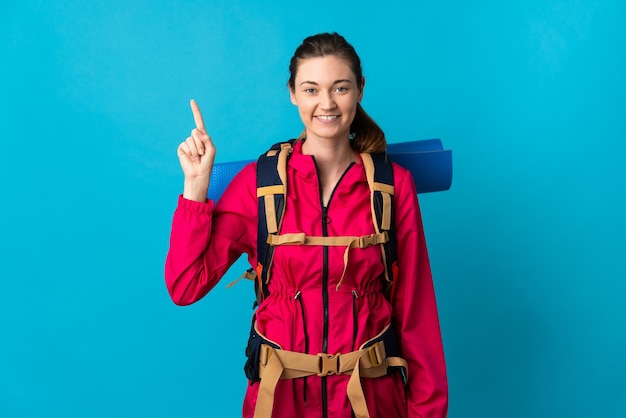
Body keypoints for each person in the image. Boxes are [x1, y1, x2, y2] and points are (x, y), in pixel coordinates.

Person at [165, 32, 448, 418]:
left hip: (372, 401)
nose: (326, 103)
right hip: (280, 402)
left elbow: (417, 313)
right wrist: (196, 187)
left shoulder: (394, 186)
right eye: (311, 89)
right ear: (292, 93)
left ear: (360, 90)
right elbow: (185, 285)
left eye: (340, 87)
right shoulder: (258, 185)